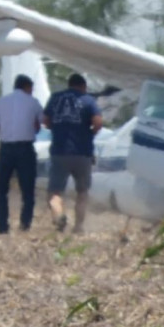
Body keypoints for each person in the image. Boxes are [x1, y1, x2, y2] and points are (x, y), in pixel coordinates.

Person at [43, 73, 103, 233]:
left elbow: (46, 121)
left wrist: (56, 127)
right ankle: (78, 227)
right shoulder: (88, 100)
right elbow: (98, 122)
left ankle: (59, 216)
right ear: (83, 86)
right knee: (82, 193)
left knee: (54, 193)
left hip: (59, 152)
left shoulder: (55, 98)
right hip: (82, 153)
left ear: (69, 85)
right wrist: (90, 133)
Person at [0, 74, 43, 234]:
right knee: (28, 190)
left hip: (6, 149)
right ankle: (25, 225)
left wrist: (4, 129)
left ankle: (2, 226)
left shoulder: (1, 101)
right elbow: (39, 124)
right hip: (25, 148)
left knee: (2, 189)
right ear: (27, 87)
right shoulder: (34, 103)